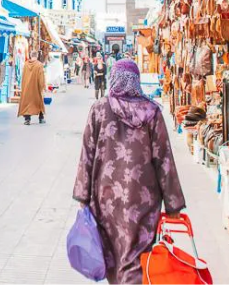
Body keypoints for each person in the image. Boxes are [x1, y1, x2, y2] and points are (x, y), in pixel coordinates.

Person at [73, 59, 185, 284]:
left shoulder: (99, 109)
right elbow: (163, 159)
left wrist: (83, 196)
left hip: (106, 199)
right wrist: (173, 204)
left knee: (113, 254)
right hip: (143, 198)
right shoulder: (152, 112)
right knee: (136, 255)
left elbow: (87, 154)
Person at [17, 50, 46, 125]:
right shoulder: (39, 65)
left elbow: (23, 76)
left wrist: (22, 86)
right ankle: (41, 118)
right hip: (36, 88)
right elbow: (41, 78)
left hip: (27, 88)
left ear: (30, 55)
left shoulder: (26, 64)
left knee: (27, 103)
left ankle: (27, 119)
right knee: (39, 102)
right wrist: (42, 87)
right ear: (37, 56)